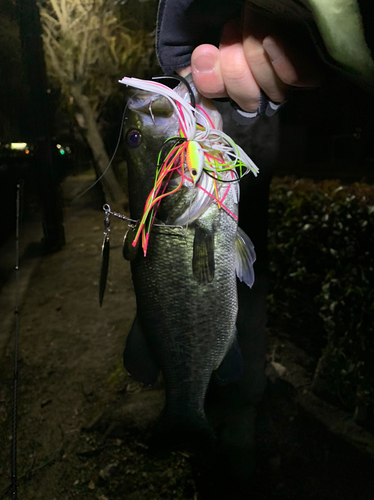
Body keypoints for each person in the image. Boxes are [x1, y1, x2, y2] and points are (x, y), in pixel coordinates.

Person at [155, 1, 374, 497]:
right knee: (218, 339)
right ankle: (219, 446)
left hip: (236, 232)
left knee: (244, 329)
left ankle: (238, 454)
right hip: (215, 244)